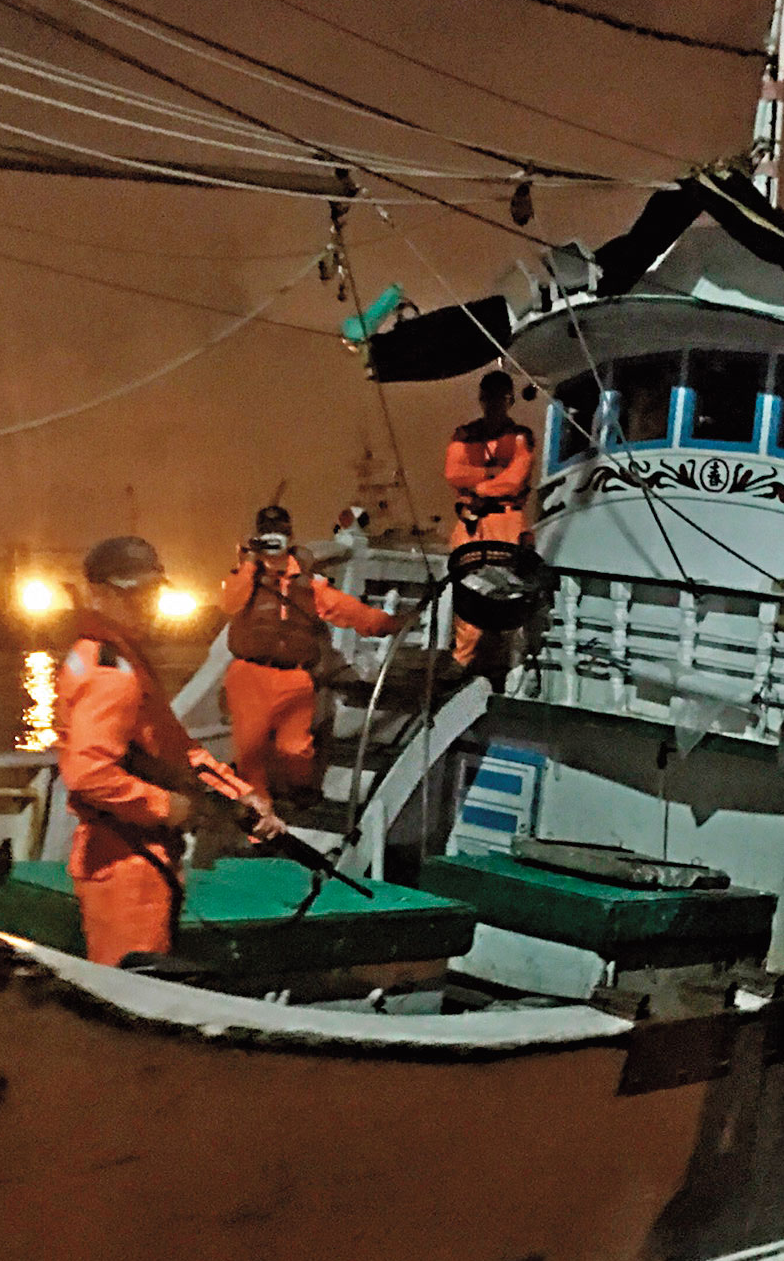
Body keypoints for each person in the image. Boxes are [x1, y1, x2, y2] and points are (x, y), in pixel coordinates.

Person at [56, 535, 281, 967]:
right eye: (132, 593)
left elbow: (177, 749)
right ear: (99, 593)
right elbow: (88, 775)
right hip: (126, 861)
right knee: (133, 992)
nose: (144, 603)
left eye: (151, 592)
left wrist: (239, 794)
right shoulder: (114, 674)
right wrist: (167, 806)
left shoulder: (106, 657)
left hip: (127, 853)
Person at [217, 504, 399, 801]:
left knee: (297, 749)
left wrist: (390, 623)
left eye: (280, 534)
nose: (274, 540)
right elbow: (229, 603)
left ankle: (301, 793)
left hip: (296, 677)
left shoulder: (308, 582)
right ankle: (258, 815)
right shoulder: (244, 577)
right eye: (267, 534)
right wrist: (251, 562)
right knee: (250, 753)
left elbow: (346, 609)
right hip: (248, 675)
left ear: (289, 537)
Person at [443, 370, 535, 668]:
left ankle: (507, 667)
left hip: (506, 523)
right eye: (490, 396)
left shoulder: (521, 437)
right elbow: (453, 473)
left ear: (509, 400)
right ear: (482, 399)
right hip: (471, 523)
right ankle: (461, 662)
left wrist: (478, 486)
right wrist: (491, 475)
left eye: (501, 397)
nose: (495, 402)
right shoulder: (464, 434)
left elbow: (515, 481)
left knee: (505, 592)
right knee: (468, 593)